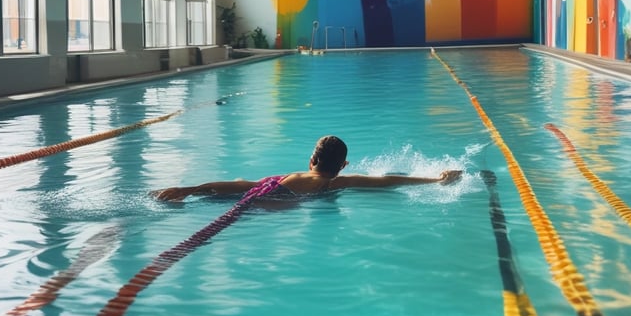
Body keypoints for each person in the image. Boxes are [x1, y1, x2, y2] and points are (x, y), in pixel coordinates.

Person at [153, 135, 462, 202]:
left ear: (312, 161)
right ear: (343, 166)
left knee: (241, 184)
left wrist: (190, 188)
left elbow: (243, 186)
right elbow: (386, 181)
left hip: (270, 190)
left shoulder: (291, 176)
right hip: (278, 203)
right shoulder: (335, 183)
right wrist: (436, 180)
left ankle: (189, 192)